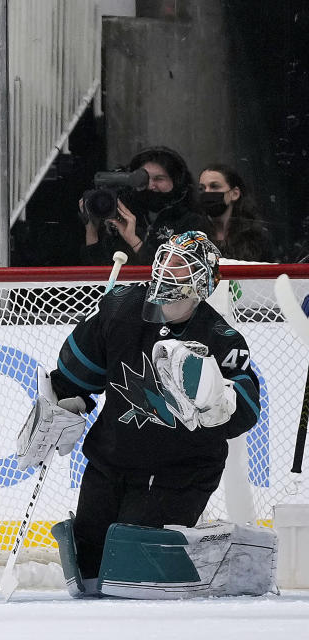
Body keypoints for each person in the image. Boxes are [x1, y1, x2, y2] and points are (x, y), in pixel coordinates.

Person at [18, 231, 261, 597]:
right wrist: (66, 402)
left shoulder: (220, 339)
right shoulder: (120, 308)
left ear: (202, 281)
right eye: (165, 259)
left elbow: (245, 409)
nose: (167, 269)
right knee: (87, 572)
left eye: (180, 265)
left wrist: (218, 400)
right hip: (111, 461)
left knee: (130, 571)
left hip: (181, 472)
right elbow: (76, 374)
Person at [81, 146, 211, 266]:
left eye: (159, 179)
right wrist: (92, 227)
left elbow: (172, 272)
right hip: (119, 290)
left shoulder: (192, 222)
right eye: (143, 179)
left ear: (177, 182)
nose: (150, 185)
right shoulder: (122, 213)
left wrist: (132, 239)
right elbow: (94, 273)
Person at [198, 163, 275, 263]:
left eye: (214, 186)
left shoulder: (256, 238)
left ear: (234, 194)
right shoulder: (193, 235)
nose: (207, 192)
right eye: (202, 188)